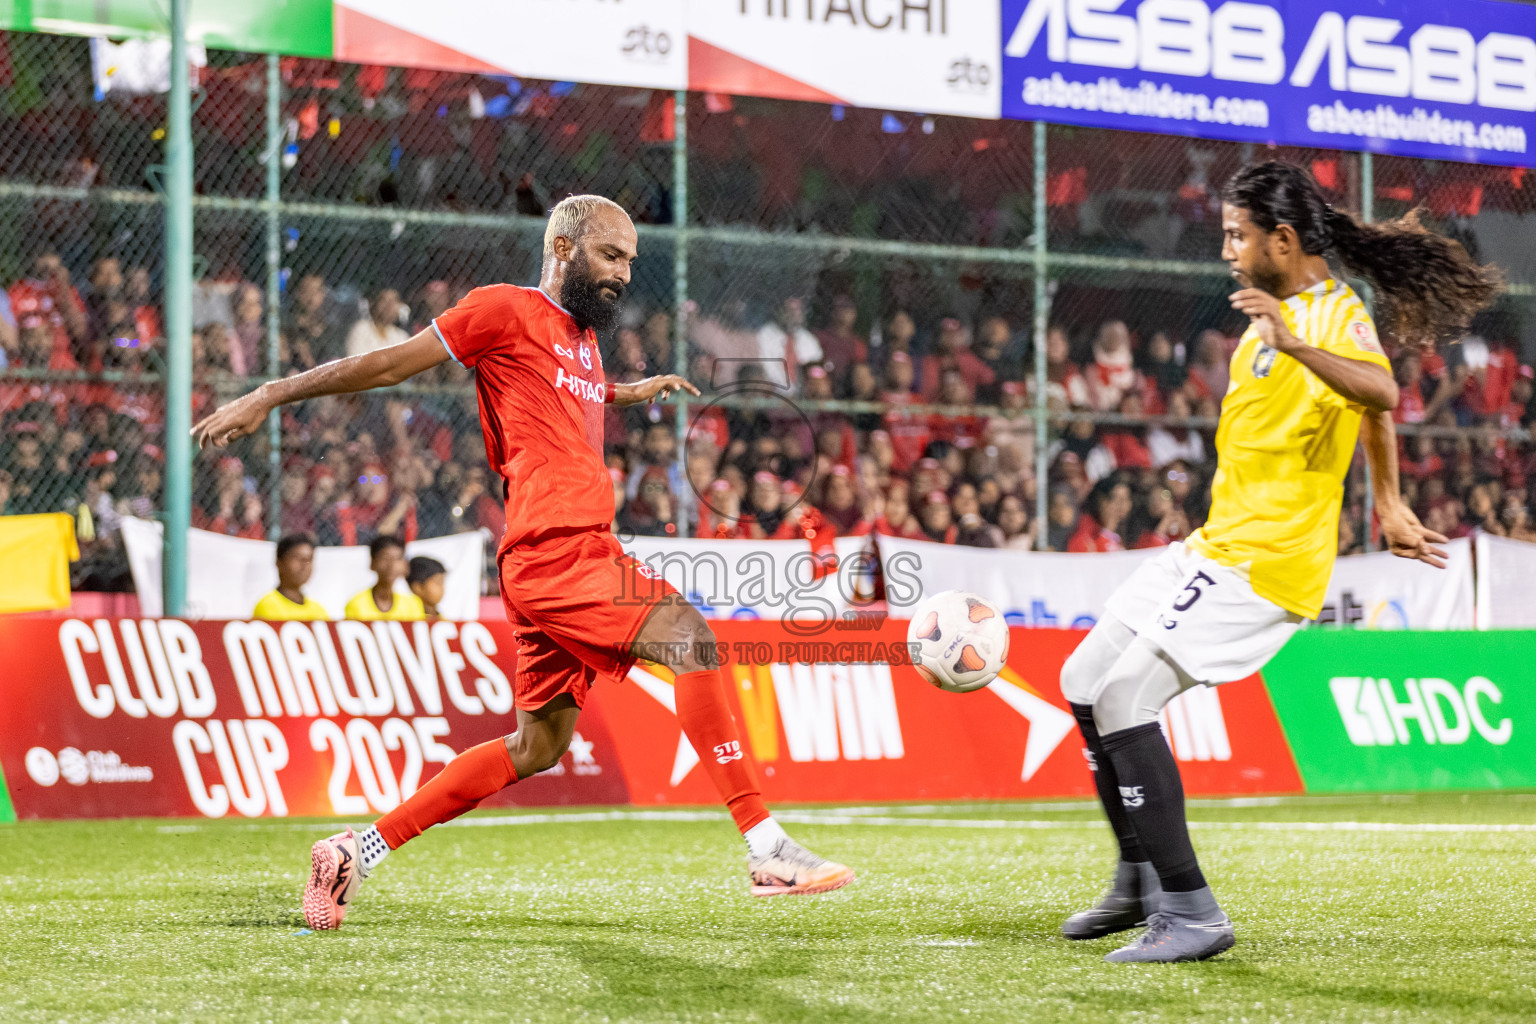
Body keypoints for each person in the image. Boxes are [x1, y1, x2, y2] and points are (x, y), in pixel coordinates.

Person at [192, 194, 853, 932]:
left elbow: (569, 396)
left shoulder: (583, 342)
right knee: (693, 639)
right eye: (611, 255)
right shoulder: (502, 310)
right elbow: (386, 366)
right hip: (555, 550)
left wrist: (626, 392)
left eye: (631, 260)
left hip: (568, 554)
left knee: (537, 745)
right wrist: (270, 394)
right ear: (564, 248)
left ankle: (357, 850)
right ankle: (766, 847)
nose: (625, 274)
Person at [1055, 161, 1498, 963]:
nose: (1226, 249)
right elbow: (1365, 413)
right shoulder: (1277, 315)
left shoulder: (1328, 317)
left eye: (1237, 235)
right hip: (1218, 542)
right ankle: (1139, 880)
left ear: (1283, 241)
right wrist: (1390, 500)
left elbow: (1379, 390)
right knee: (1083, 681)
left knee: (1125, 697)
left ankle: (1192, 912)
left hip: (1267, 563)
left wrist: (1297, 344)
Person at [343, 534, 425, 621]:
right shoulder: (356, 604)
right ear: (373, 563)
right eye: (385, 558)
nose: (391, 565)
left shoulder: (412, 604)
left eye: (397, 559)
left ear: (405, 565)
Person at [252, 534, 328, 621]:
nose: (304, 565)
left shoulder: (318, 610)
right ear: (279, 562)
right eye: (297, 557)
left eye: (309, 559)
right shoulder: (267, 605)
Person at [407, 555, 447, 619]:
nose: (442, 588)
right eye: (438, 582)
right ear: (418, 588)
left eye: (442, 582)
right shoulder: (409, 619)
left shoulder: (442, 620)